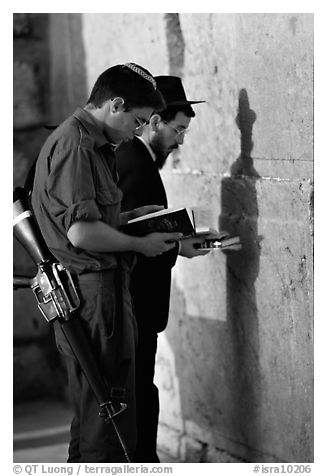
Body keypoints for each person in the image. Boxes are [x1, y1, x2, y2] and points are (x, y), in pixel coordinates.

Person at [31, 64, 182, 463]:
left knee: (97, 419)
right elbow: (81, 234)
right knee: (109, 424)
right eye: (135, 120)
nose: (137, 131)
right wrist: (140, 241)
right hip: (94, 298)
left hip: (101, 296)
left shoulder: (91, 144)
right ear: (115, 104)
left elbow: (94, 221)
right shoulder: (77, 146)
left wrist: (133, 218)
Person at [116, 75, 220, 462]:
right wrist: (178, 247)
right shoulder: (133, 161)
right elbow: (123, 239)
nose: (180, 141)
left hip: (140, 308)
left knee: (142, 390)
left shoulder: (139, 160)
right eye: (177, 130)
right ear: (154, 121)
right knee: (137, 394)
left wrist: (182, 245)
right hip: (134, 307)